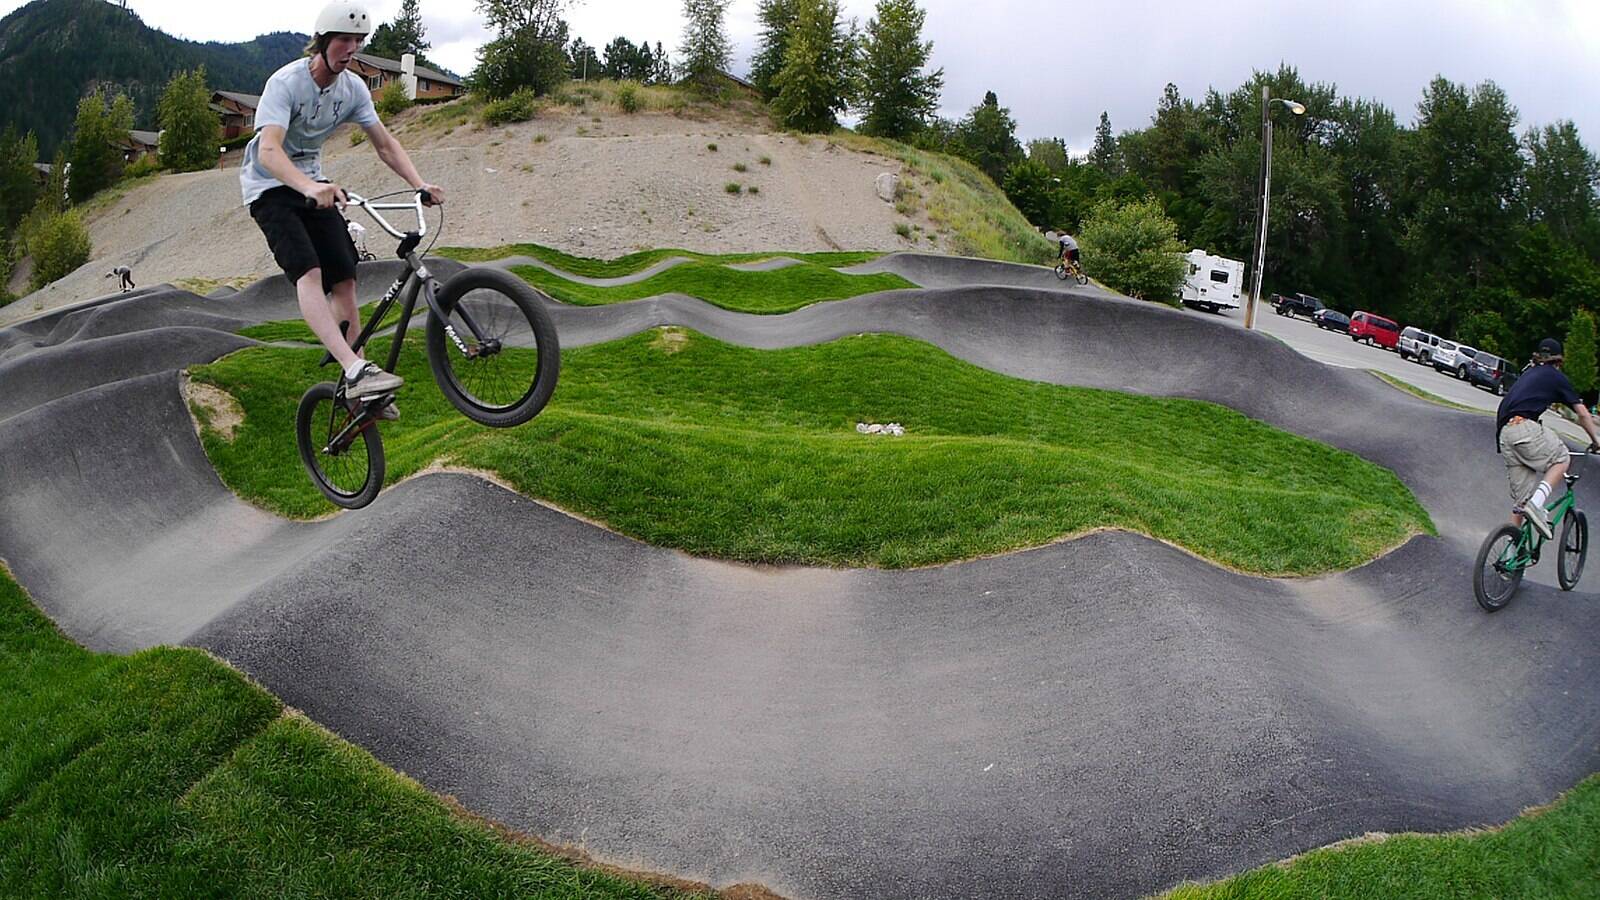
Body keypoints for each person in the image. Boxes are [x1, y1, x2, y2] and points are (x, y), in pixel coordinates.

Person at [239, 0, 444, 420]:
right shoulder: (286, 83)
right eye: (344, 40)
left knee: (346, 278)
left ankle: (363, 383)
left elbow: (385, 144)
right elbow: (269, 150)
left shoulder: (353, 90)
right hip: (269, 188)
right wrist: (309, 186)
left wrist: (419, 183)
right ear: (323, 42)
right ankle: (352, 369)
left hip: (317, 186)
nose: (351, 49)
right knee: (309, 271)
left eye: (358, 41)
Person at [1494, 337, 1600, 539]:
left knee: (1520, 506)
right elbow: (1584, 414)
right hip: (1524, 427)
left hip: (1504, 433)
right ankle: (1537, 504)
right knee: (1561, 458)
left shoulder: (1529, 373)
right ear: (1558, 362)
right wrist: (1596, 441)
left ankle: (1510, 562)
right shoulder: (1556, 377)